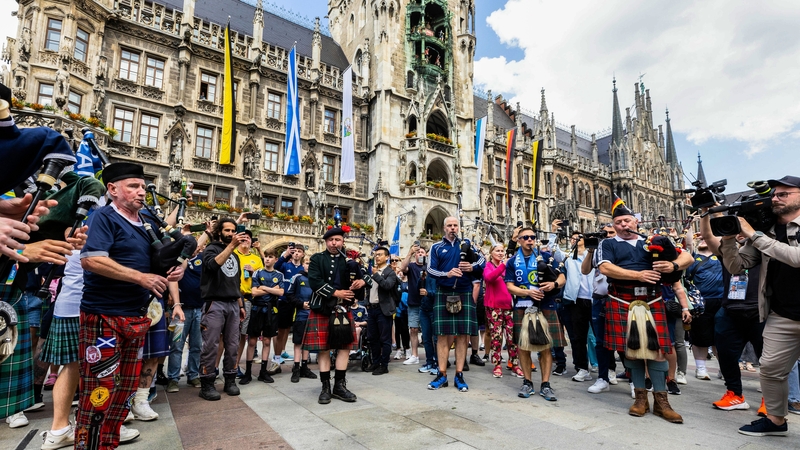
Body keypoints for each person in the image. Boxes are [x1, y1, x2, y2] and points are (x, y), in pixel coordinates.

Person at [78, 162, 183, 446]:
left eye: (142, 186)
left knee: (123, 393)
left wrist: (174, 269)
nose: (141, 192)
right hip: (105, 317)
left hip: (136, 318)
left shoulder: (147, 220)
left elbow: (161, 260)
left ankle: (108, 443)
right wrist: (141, 278)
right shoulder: (104, 217)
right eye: (133, 186)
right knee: (100, 393)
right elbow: (91, 259)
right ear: (112, 189)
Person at [597, 196, 692, 423]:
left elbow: (686, 255)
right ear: (614, 225)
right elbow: (605, 268)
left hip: (652, 300)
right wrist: (639, 275)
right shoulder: (607, 244)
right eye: (619, 222)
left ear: (636, 222)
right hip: (622, 300)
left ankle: (662, 402)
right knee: (632, 351)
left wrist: (673, 265)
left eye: (627, 221)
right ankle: (640, 398)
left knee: (658, 351)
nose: (624, 225)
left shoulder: (652, 240)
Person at [720, 176, 800, 436]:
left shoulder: (761, 234)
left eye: (784, 194)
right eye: (774, 194)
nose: (775, 198)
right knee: (770, 370)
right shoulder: (767, 231)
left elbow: (795, 258)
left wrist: (753, 234)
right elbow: (736, 266)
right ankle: (776, 421)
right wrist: (730, 238)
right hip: (783, 314)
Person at [305, 226, 365, 404]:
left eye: (337, 240)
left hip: (343, 309)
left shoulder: (350, 261)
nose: (334, 243)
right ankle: (325, 387)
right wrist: (336, 293)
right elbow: (315, 281)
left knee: (345, 348)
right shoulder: (317, 258)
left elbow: (364, 278)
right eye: (331, 240)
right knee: (324, 348)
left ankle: (339, 386)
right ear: (325, 242)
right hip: (322, 308)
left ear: (342, 241)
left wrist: (361, 282)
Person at [505, 227, 565, 401]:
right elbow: (509, 286)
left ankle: (545, 384)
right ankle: (527, 382)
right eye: (526, 237)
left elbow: (562, 277)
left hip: (545, 304)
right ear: (519, 240)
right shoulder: (511, 262)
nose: (530, 240)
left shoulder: (545, 257)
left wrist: (554, 285)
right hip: (522, 305)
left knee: (546, 345)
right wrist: (529, 293)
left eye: (532, 237)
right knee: (523, 346)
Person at [426, 217, 485, 392]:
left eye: (455, 225)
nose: (453, 228)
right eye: (449, 226)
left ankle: (459, 374)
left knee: (463, 335)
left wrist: (471, 267)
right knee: (442, 336)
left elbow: (483, 261)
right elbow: (430, 270)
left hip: (464, 291)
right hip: (444, 292)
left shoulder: (467, 245)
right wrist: (447, 274)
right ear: (444, 228)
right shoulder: (436, 247)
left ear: (458, 228)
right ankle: (442, 374)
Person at [198, 218, 248, 401]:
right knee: (210, 345)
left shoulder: (235, 256)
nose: (231, 234)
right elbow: (212, 265)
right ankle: (207, 383)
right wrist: (231, 247)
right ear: (219, 231)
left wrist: (240, 305)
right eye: (227, 230)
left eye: (233, 230)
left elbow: (235, 283)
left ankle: (230, 379)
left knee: (233, 344)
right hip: (214, 303)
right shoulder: (211, 249)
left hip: (233, 304)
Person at [684, 233, 725, 381]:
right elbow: (688, 243)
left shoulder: (722, 255)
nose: (703, 239)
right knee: (700, 337)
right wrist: (689, 228)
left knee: (722, 337)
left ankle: (725, 368)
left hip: (723, 301)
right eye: (701, 238)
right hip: (700, 302)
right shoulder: (693, 257)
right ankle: (701, 368)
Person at [166, 246, 205, 394]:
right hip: (179, 311)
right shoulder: (178, 261)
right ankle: (173, 379)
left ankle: (193, 375)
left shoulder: (201, 260)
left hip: (199, 310)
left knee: (196, 345)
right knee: (176, 345)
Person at [241, 251, 284, 384]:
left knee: (267, 341)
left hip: (271, 310)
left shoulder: (279, 275)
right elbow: (254, 292)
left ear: (275, 259)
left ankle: (263, 372)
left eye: (270, 257)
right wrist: (272, 289)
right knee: (252, 341)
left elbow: (281, 292)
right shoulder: (257, 273)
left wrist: (263, 287)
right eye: (266, 257)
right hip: (257, 309)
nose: (267, 259)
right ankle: (247, 373)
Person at [484, 244, 522, 378]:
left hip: (509, 306)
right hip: (494, 306)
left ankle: (515, 364)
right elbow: (489, 278)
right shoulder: (488, 265)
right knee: (496, 336)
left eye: (502, 251)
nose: (500, 253)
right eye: (497, 251)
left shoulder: (508, 267)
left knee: (512, 337)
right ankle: (497, 364)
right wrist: (503, 266)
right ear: (491, 252)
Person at [233, 230, 264, 377]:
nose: (245, 240)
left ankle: (235, 365)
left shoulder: (256, 259)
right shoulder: (232, 253)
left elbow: (264, 279)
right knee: (225, 336)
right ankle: (217, 366)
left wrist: (254, 272)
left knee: (241, 335)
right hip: (231, 298)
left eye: (248, 238)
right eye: (243, 238)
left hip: (247, 300)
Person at [365, 247, 399, 375]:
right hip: (372, 308)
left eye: (379, 255)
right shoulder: (373, 271)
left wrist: (376, 275)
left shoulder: (390, 272)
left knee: (385, 338)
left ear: (386, 257)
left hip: (383, 309)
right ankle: (375, 362)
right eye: (375, 255)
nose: (377, 257)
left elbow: (387, 286)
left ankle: (384, 365)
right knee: (372, 337)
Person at [286, 256, 317, 382]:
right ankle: (296, 368)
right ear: (303, 264)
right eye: (307, 263)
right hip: (301, 315)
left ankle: (305, 367)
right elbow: (289, 295)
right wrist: (301, 304)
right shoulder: (297, 278)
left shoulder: (317, 279)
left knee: (308, 343)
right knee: (298, 342)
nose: (309, 265)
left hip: (313, 315)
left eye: (311, 263)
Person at [275, 244, 306, 365]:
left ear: (303, 254)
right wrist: (286, 254)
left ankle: (301, 358)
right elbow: (276, 267)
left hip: (298, 302)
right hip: (285, 301)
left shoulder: (304, 268)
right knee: (282, 329)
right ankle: (277, 357)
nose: (296, 253)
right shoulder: (285, 265)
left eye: (299, 251)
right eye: (295, 251)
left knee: (296, 329)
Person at [400, 244, 426, 365]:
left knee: (429, 330)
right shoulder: (411, 266)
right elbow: (402, 267)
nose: (420, 254)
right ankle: (414, 355)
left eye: (422, 252)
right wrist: (409, 253)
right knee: (413, 329)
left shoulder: (429, 267)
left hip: (427, 303)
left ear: (426, 255)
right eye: (418, 252)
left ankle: (433, 355)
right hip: (414, 302)